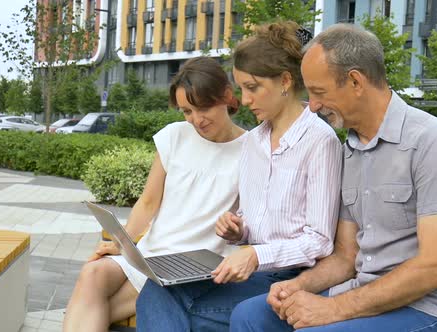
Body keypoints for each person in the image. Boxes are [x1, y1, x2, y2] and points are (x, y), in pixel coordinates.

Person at [230, 23, 437, 332]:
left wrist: (333, 309)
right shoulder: (350, 150)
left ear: (355, 82)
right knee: (251, 316)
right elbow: (346, 257)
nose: (314, 106)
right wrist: (299, 286)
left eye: (319, 93)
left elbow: (435, 267)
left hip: (430, 309)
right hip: (362, 292)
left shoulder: (431, 141)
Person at [135, 21, 342, 332]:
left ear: (285, 81)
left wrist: (256, 254)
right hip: (252, 272)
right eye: (242, 88)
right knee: (156, 289)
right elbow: (254, 217)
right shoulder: (255, 141)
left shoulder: (320, 141)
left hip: (294, 278)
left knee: (181, 309)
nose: (244, 100)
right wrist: (238, 229)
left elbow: (320, 241)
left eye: (252, 87)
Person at [62, 56, 247, 332]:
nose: (196, 120)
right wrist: (121, 245)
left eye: (203, 108)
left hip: (190, 269)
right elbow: (148, 203)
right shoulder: (175, 136)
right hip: (150, 254)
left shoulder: (252, 150)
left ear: (226, 96)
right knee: (93, 273)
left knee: (95, 310)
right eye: (186, 111)